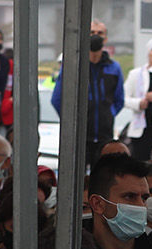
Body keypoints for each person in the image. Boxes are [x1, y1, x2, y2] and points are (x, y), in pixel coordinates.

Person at [49, 21, 127, 157]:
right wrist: (72, 121)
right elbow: (57, 99)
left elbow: (119, 99)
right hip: (79, 136)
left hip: (105, 136)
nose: (95, 36)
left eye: (100, 33)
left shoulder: (114, 68)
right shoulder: (73, 66)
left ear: (105, 39)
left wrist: (108, 115)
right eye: (91, 32)